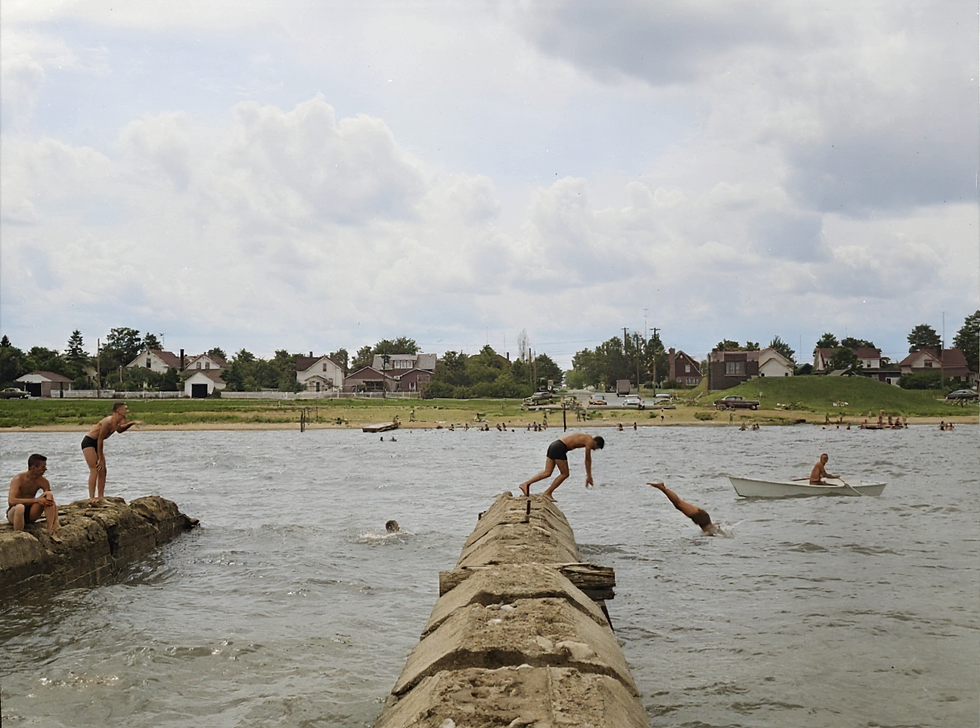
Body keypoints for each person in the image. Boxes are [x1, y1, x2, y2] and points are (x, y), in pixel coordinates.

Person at [82, 402, 144, 503]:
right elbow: (100, 439)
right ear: (118, 410)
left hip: (98, 444)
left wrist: (132, 423)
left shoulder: (119, 420)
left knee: (103, 470)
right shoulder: (108, 421)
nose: (126, 411)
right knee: (95, 469)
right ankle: (91, 498)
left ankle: (100, 496)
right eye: (124, 409)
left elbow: (119, 430)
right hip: (89, 442)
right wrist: (101, 458)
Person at [519, 433, 604, 501]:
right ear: (596, 443)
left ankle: (525, 484)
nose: (594, 449)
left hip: (554, 445)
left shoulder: (586, 437)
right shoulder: (589, 441)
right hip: (560, 448)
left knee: (547, 472)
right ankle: (548, 493)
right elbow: (587, 460)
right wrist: (589, 476)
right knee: (565, 474)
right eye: (596, 448)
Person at [7, 454, 61, 541]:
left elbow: (51, 502)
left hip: (31, 513)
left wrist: (56, 519)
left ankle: (50, 529)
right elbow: (11, 501)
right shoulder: (18, 479)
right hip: (15, 512)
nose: (45, 469)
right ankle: (18, 535)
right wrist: (37, 500)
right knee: (20, 507)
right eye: (43, 467)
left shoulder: (43, 481)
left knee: (48, 495)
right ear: (33, 468)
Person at [648, 481, 720, 535]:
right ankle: (663, 488)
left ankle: (663, 488)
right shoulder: (712, 530)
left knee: (678, 504)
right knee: (678, 504)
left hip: (702, 517)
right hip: (701, 516)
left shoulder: (711, 530)